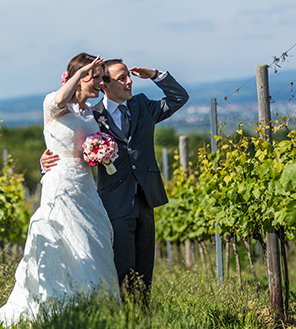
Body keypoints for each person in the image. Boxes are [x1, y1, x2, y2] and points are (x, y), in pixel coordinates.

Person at [40, 58, 188, 304]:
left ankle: (142, 317)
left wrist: (155, 74)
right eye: (122, 78)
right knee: (122, 266)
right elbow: (66, 142)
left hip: (146, 196)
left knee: (144, 266)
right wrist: (44, 162)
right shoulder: (92, 116)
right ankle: (124, 316)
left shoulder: (143, 106)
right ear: (105, 85)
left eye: (128, 77)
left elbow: (178, 98)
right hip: (114, 201)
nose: (129, 82)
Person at [0, 53, 119, 326]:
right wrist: (82, 69)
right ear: (79, 77)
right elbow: (61, 100)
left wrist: (100, 154)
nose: (100, 82)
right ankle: (62, 306)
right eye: (94, 77)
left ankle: (95, 307)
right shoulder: (55, 106)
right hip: (60, 183)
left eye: (100, 77)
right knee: (63, 238)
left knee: (93, 238)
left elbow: (81, 145)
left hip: (85, 182)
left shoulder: (89, 113)